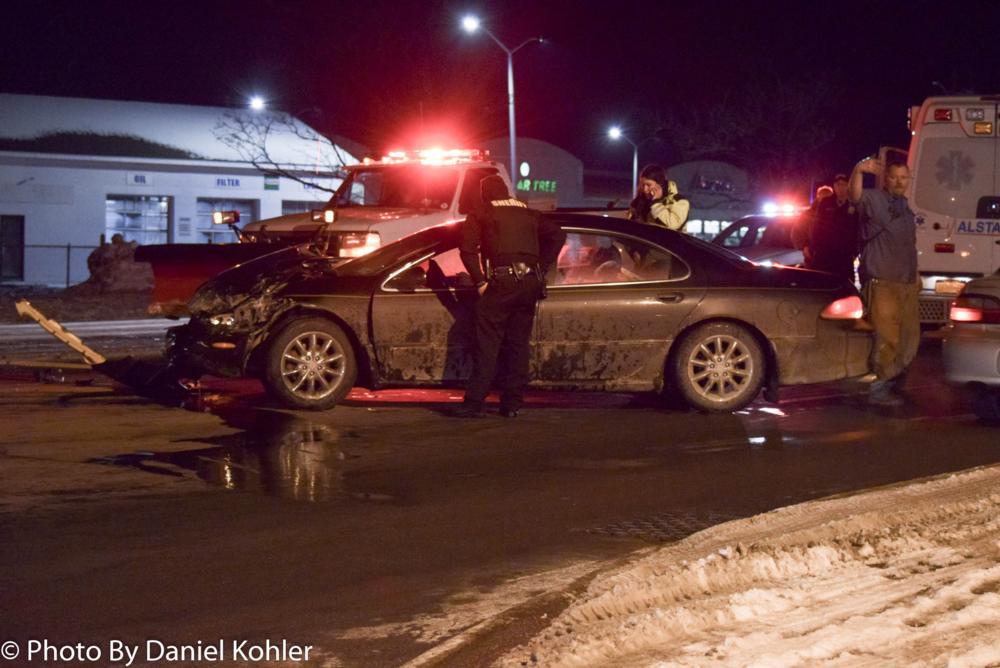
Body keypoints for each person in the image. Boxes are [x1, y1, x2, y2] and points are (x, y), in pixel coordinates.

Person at [456, 175, 565, 418]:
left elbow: (467, 250)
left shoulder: (481, 213)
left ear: (484, 194)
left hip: (501, 283)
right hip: (530, 285)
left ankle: (474, 402)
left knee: (487, 343)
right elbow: (558, 235)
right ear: (506, 192)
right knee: (517, 344)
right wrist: (541, 266)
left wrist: (480, 281)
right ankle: (512, 404)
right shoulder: (529, 213)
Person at [848, 158, 920, 407]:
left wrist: (915, 278)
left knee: (910, 339)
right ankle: (880, 389)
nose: (899, 181)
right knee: (887, 338)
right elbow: (855, 196)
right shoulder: (874, 200)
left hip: (906, 285)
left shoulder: (906, 207)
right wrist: (858, 170)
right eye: (894, 177)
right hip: (882, 284)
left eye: (904, 177)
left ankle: (893, 382)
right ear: (886, 179)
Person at [805, 174, 860, 283]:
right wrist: (814, 247)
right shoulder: (826, 203)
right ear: (834, 186)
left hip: (844, 254)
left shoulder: (853, 204)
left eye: (844, 184)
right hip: (825, 252)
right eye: (838, 184)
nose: (841, 187)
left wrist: (855, 251)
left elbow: (857, 229)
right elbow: (817, 226)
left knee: (844, 285)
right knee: (821, 282)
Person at [627, 164, 690, 230]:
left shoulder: (680, 202)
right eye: (643, 185)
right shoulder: (640, 201)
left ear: (660, 184)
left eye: (648, 185)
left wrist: (656, 204)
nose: (645, 189)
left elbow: (672, 225)